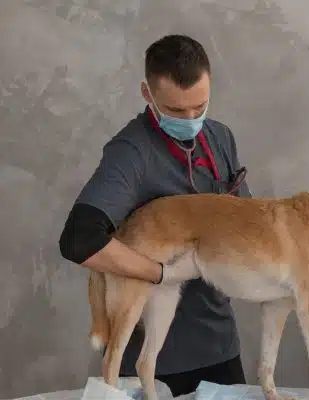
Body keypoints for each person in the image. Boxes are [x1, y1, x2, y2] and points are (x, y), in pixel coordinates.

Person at [58, 34, 251, 396]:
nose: (191, 119)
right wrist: (162, 274)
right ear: (147, 93)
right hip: (160, 360)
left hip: (219, 344)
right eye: (176, 111)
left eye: (200, 106)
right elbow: (78, 239)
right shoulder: (131, 152)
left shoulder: (220, 137)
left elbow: (245, 220)